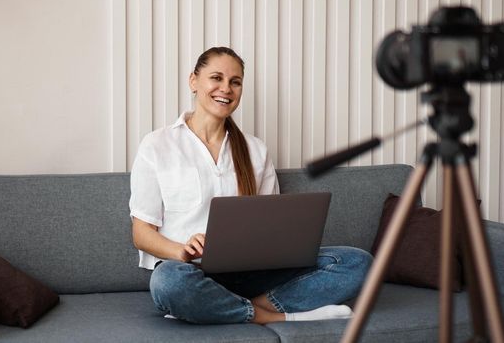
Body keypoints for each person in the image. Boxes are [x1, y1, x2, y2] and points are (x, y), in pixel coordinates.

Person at [129, 46, 372, 324]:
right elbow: (141, 233)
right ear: (194, 81)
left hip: (252, 274)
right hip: (189, 272)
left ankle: (229, 308)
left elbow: (272, 227)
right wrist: (181, 250)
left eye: (235, 82)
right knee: (168, 282)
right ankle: (281, 317)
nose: (226, 88)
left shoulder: (255, 150)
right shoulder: (157, 145)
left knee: (357, 262)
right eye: (216, 78)